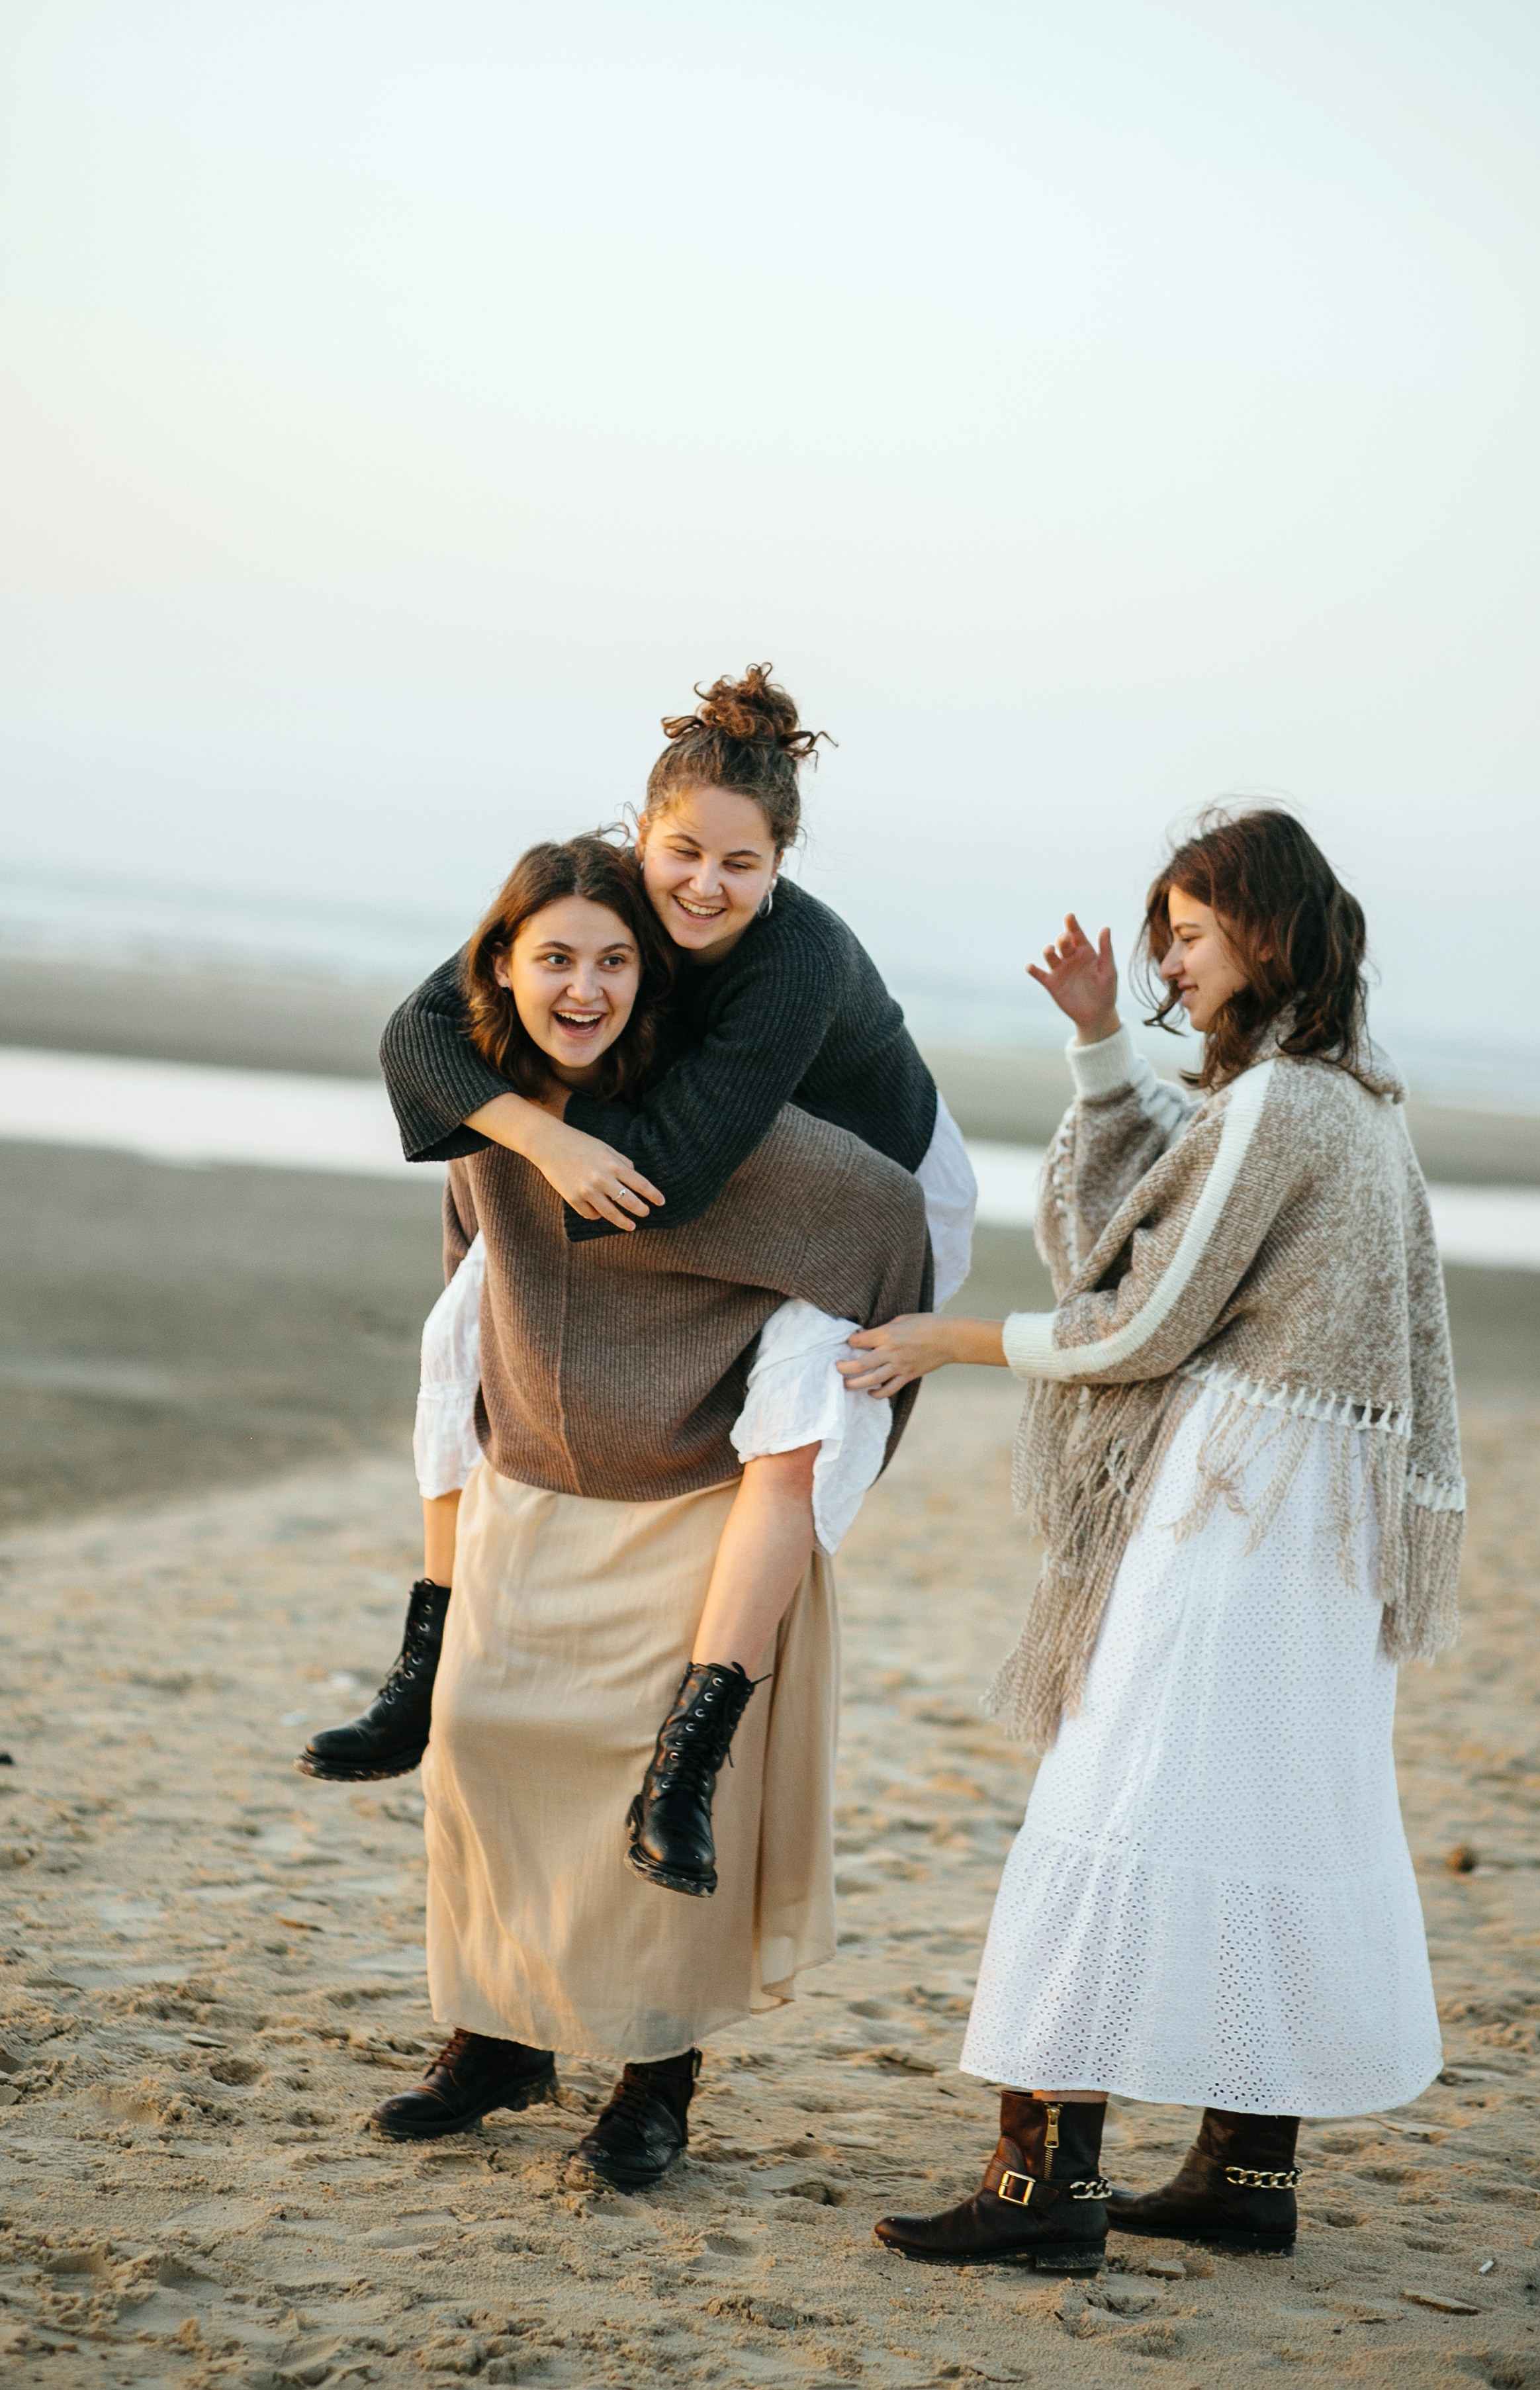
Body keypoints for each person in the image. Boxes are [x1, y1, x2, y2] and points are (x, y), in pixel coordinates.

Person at [838, 808, 1464, 2274]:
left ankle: (1040, 2185)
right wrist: (1101, 1042)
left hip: (1233, 1512)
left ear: (1264, 930)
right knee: (1265, 1811)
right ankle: (1246, 2174)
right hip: (1317, 1521)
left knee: (1118, 1794)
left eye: (1186, 936)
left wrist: (958, 1336)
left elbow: (1152, 1303)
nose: (1170, 966)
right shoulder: (1350, 1104)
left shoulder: (1285, 1108)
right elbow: (1163, 1200)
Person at [300, 666, 976, 1903]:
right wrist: (544, 1134)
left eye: (742, 866)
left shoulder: (796, 966)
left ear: (781, 869)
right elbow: (417, 1040)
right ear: (640, 833)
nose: (705, 889)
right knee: (463, 1325)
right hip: (704, 1156)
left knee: (791, 1418)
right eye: (683, 855)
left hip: (859, 1196)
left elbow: (670, 1173)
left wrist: (518, 1108)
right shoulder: (595, 897)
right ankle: (424, 1666)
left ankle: (688, 1756)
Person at [343, 833, 930, 2185]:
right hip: (539, 1473)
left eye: (615, 961)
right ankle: (498, 2038)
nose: (586, 986)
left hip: (690, 1492)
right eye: (556, 958)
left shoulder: (741, 1126)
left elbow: (884, 1213)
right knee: (485, 1747)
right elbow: (468, 1283)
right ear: (502, 967)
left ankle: (656, 2083)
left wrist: (852, 1388)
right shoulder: (486, 1109)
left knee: (649, 1805)